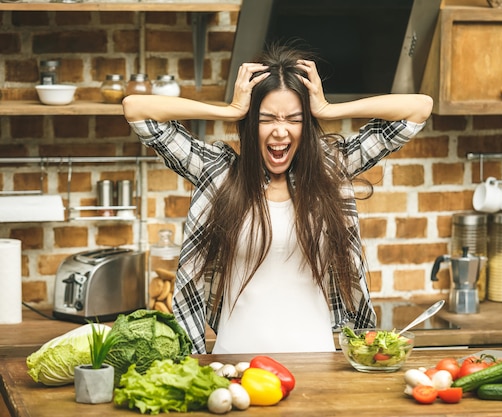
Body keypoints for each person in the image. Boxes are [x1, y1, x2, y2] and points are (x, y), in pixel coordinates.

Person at [123, 44, 433, 354]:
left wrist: (328, 109)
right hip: (236, 364)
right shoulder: (218, 172)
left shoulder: (331, 169)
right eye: (267, 118)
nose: (280, 132)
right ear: (249, 121)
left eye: (294, 119)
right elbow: (137, 109)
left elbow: (418, 108)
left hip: (317, 363)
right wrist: (228, 110)